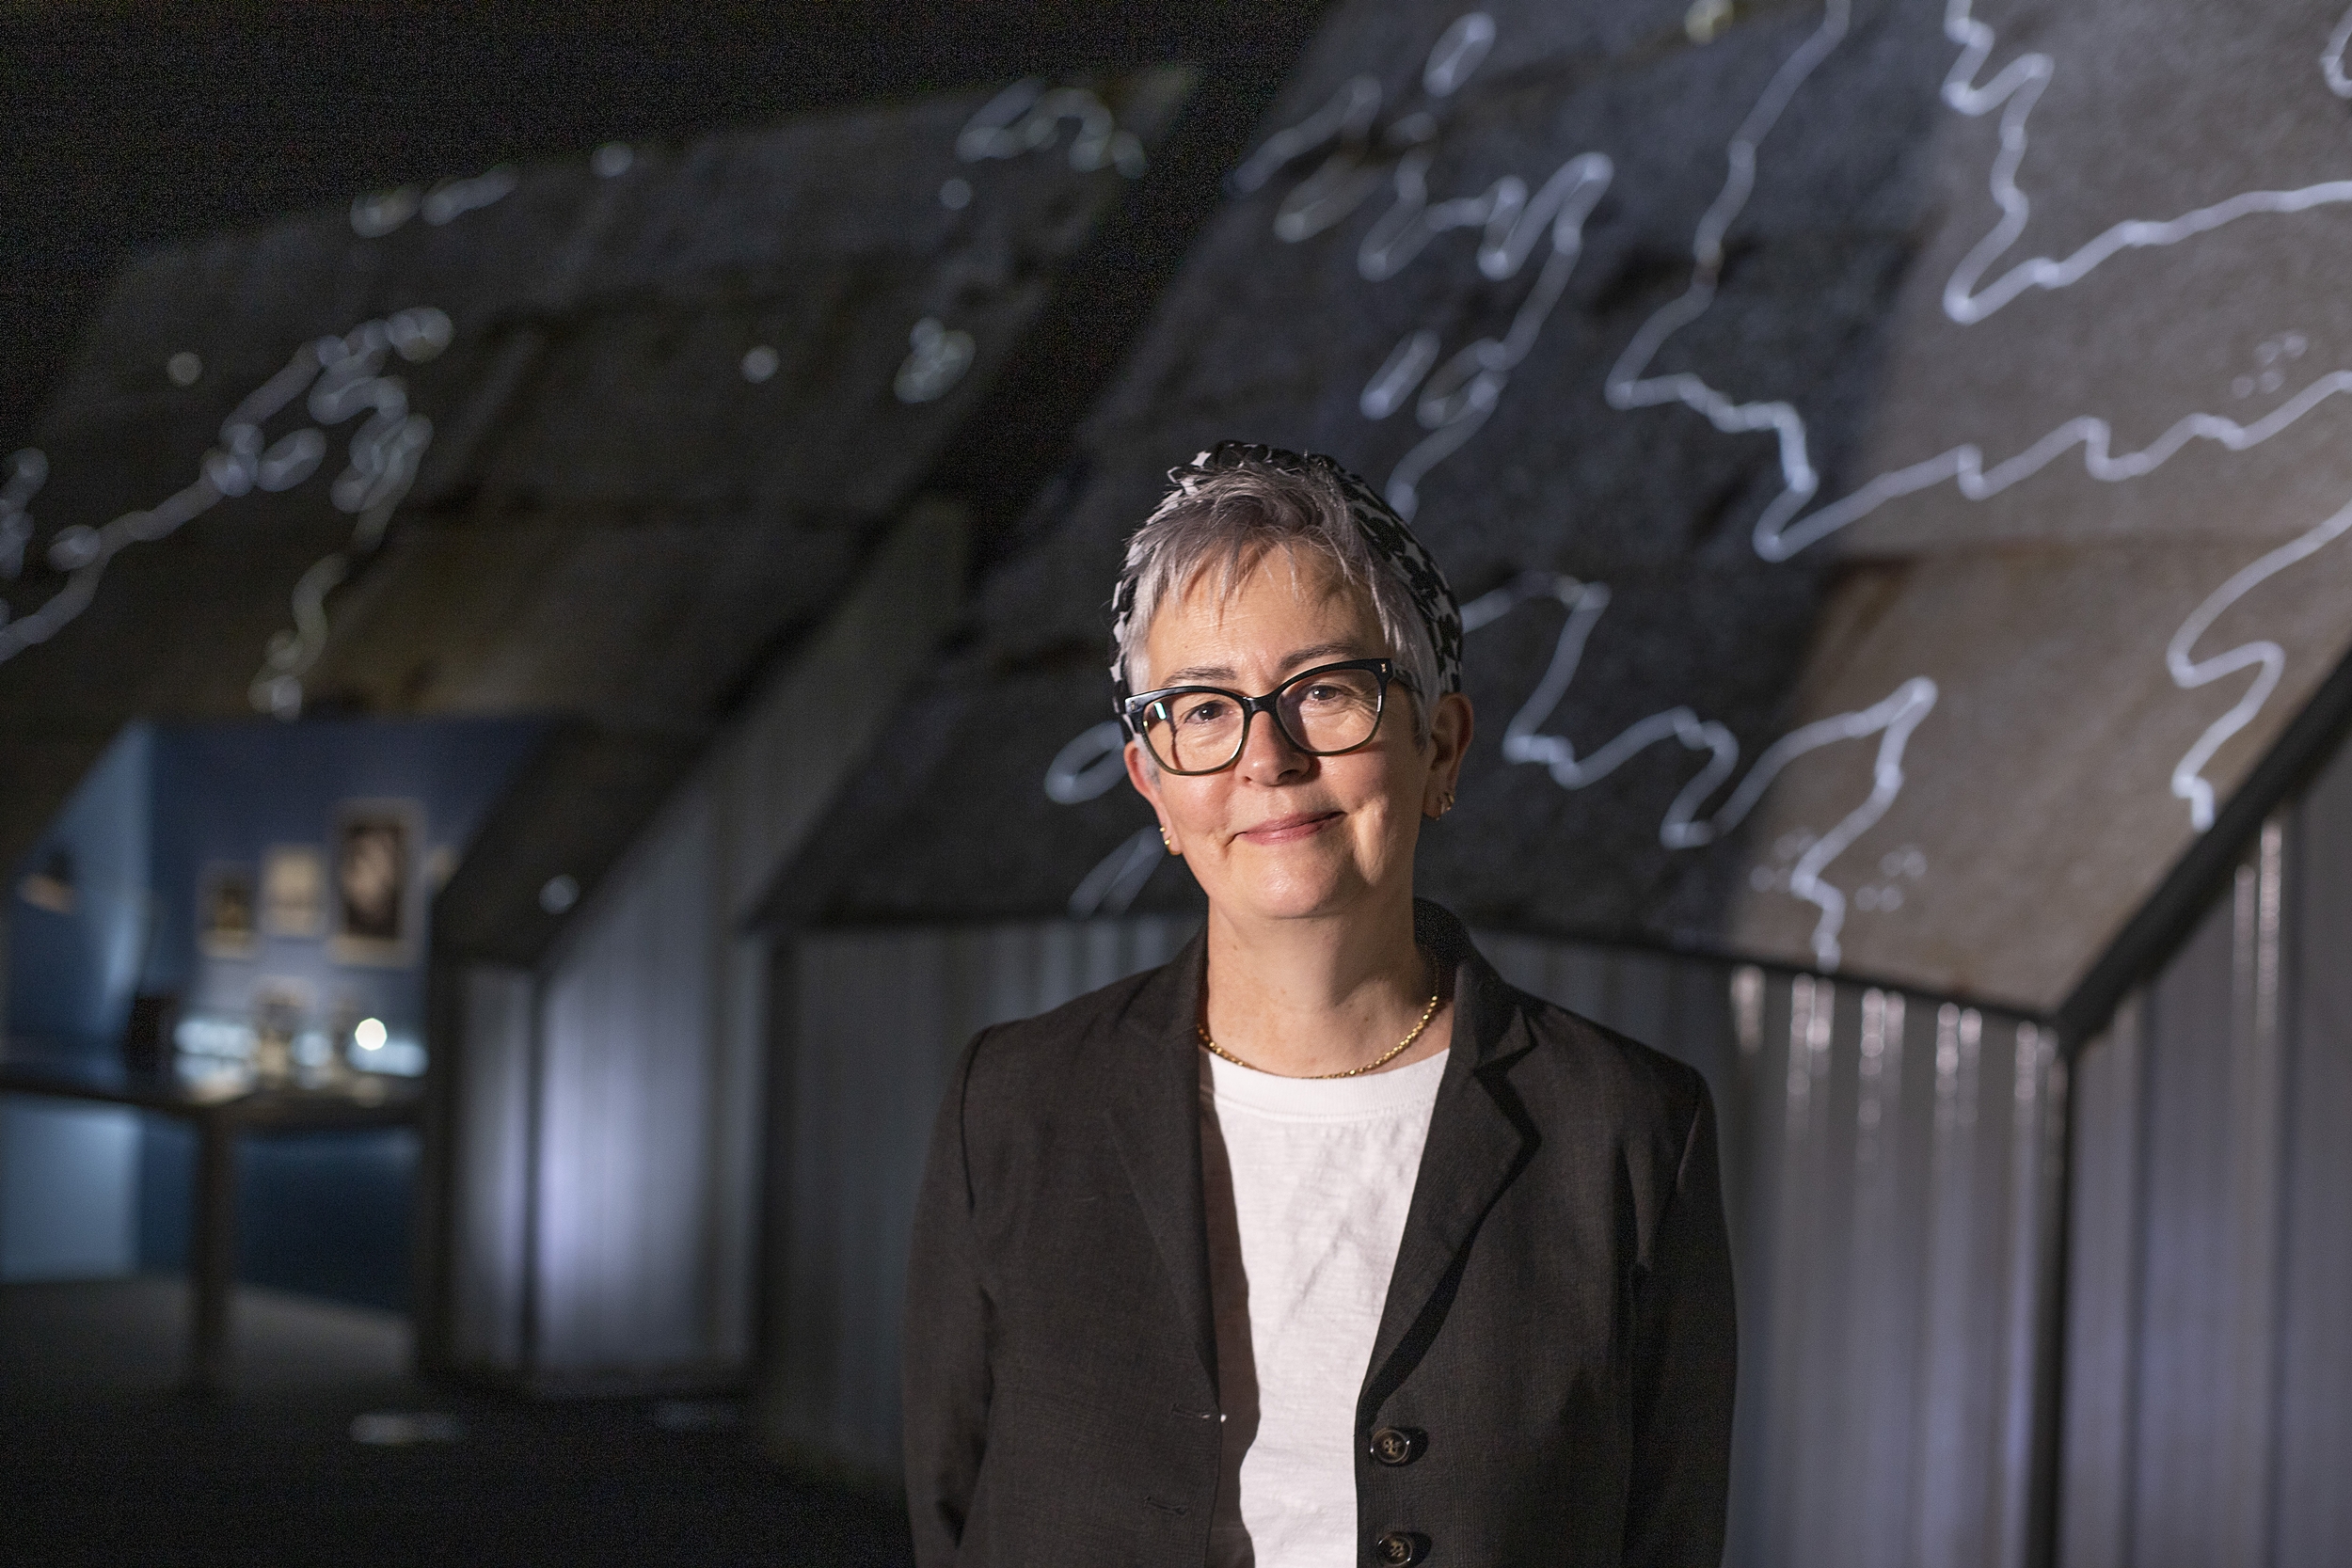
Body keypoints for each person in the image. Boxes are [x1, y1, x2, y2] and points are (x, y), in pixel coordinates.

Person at [903, 444, 1736, 1568]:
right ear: (1153, 784)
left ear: (1439, 745)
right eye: (1204, 708)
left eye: (1326, 691)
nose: (1268, 756)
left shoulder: (1627, 1129)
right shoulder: (1011, 1103)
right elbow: (950, 1513)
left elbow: (1667, 1534)